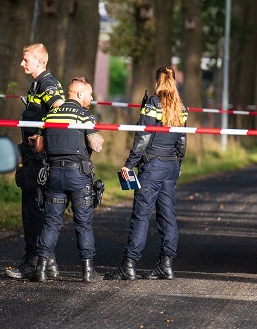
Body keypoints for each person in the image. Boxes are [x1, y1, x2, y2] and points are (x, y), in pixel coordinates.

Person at [106, 66, 187, 281]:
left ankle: (129, 265)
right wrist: (176, 163)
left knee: (141, 216)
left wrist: (129, 163)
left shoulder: (152, 104)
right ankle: (166, 265)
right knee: (168, 216)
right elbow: (182, 142)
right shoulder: (181, 107)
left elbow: (142, 138)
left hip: (152, 166)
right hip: (170, 167)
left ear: (158, 82)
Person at [31, 77, 104, 283]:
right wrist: (98, 136)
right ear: (79, 94)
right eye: (89, 94)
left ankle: (41, 270)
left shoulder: (50, 114)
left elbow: (38, 147)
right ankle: (88, 271)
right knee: (83, 223)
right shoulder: (84, 115)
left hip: (53, 175)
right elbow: (96, 145)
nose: (91, 98)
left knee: (51, 223)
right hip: (78, 177)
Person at [2, 43, 65, 280]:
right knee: (36, 211)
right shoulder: (38, 84)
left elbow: (59, 113)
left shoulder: (47, 84)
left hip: (39, 159)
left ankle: (32, 262)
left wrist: (42, 139)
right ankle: (48, 262)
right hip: (31, 157)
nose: (22, 63)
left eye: (25, 59)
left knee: (33, 212)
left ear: (39, 61)